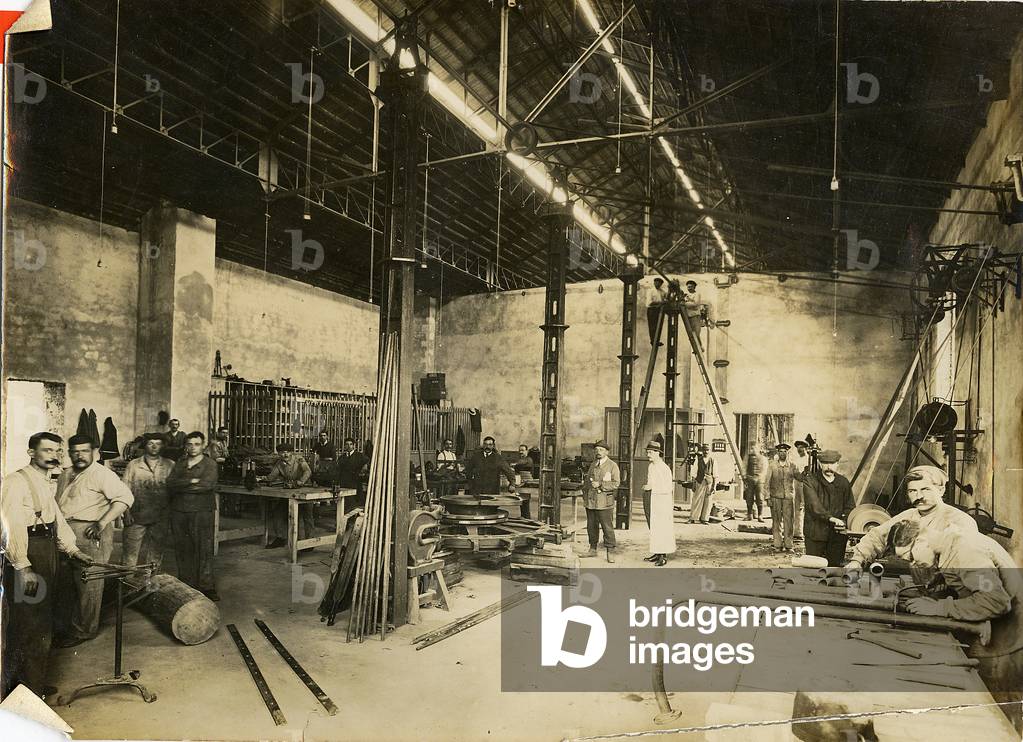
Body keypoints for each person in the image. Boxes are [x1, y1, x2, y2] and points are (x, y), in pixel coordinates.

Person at [895, 522, 1023, 731]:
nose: (913, 563)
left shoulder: (966, 551)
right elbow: (972, 586)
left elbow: (996, 601)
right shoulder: (951, 544)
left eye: (910, 557)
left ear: (921, 541)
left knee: (1001, 720)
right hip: (994, 631)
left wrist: (940, 607)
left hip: (1008, 641)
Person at [1, 433, 92, 698]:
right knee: (27, 624)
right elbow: (11, 527)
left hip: (47, 551)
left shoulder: (44, 481)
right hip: (30, 556)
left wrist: (73, 550)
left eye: (57, 450)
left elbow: (56, 521)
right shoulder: (16, 482)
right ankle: (22, 692)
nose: (54, 455)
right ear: (31, 453)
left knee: (42, 622)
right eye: (47, 450)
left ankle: (33, 683)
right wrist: (23, 567)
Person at [55, 434, 134, 647]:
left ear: (94, 452)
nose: (79, 455)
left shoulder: (102, 474)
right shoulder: (67, 474)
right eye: (75, 451)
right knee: (67, 582)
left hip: (90, 532)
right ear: (70, 453)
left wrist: (101, 523)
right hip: (66, 531)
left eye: (84, 451)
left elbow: (125, 498)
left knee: (89, 582)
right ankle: (68, 626)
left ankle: (83, 631)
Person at [846, 465, 978, 571]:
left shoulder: (960, 521)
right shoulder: (908, 515)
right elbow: (876, 537)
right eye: (912, 491)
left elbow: (966, 565)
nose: (919, 496)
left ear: (941, 490)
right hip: (908, 578)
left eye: (925, 489)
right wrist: (857, 561)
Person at [166, 431, 220, 601]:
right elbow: (170, 483)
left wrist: (184, 484)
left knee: (204, 548)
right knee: (182, 548)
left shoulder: (210, 464)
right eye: (189, 444)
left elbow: (207, 485)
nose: (193, 447)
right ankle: (186, 583)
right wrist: (191, 481)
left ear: (203, 445)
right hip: (179, 511)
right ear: (185, 445)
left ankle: (206, 586)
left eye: (197, 444)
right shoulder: (180, 463)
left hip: (201, 511)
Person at [121, 432, 174, 569]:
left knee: (155, 556)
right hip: (136, 516)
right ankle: (127, 587)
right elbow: (124, 491)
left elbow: (175, 492)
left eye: (158, 443)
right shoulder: (133, 465)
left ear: (162, 446)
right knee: (129, 556)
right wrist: (126, 513)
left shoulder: (170, 465)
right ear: (145, 445)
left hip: (160, 517)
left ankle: (149, 586)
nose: (154, 446)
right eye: (151, 443)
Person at [795, 449, 854, 566]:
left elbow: (850, 505)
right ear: (820, 464)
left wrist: (844, 519)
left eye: (832, 464)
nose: (828, 467)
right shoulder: (810, 481)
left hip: (837, 535)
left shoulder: (843, 482)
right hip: (815, 534)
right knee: (814, 569)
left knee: (834, 568)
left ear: (837, 464)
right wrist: (832, 519)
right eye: (825, 463)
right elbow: (814, 506)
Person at [265, 443, 314, 549]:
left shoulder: (299, 459)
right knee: (278, 511)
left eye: (287, 452)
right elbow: (272, 476)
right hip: (291, 491)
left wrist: (301, 481)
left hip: (305, 488)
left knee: (307, 514)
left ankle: (310, 542)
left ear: (291, 452)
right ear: (279, 454)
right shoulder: (279, 463)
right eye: (282, 452)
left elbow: (307, 471)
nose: (285, 454)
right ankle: (281, 538)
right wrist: (261, 479)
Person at [581, 440, 620, 563]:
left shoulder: (612, 465)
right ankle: (592, 549)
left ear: (607, 452)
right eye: (597, 449)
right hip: (591, 501)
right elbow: (587, 481)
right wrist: (585, 495)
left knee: (607, 527)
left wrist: (601, 485)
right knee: (591, 526)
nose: (598, 452)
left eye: (601, 450)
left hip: (604, 502)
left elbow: (616, 483)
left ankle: (610, 551)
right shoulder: (593, 464)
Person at [642, 441, 676, 567]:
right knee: (653, 526)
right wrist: (648, 488)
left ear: (657, 453)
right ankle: (657, 552)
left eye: (650, 452)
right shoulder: (651, 466)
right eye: (647, 452)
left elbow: (667, 488)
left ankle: (663, 556)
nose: (648, 455)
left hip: (662, 501)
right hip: (652, 498)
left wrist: (651, 487)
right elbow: (650, 481)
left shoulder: (664, 468)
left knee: (662, 528)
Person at [765, 442, 799, 553]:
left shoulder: (793, 466)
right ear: (777, 453)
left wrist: (806, 473)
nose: (782, 454)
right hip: (775, 497)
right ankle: (777, 545)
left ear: (787, 453)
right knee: (776, 521)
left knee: (789, 522)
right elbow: (767, 483)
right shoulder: (772, 465)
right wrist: (767, 497)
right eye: (780, 452)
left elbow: (799, 477)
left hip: (788, 498)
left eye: (785, 452)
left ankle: (789, 545)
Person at [335, 438, 368, 507]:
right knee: (345, 504)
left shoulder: (359, 456)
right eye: (347, 444)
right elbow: (338, 471)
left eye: (350, 444)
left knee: (355, 504)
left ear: (354, 446)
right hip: (344, 483)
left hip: (355, 482)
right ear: (344, 446)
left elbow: (367, 462)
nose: (349, 446)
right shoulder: (342, 457)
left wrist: (364, 469)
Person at [689, 443, 716, 524]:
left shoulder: (713, 460)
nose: (706, 452)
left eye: (707, 450)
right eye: (704, 450)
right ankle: (693, 518)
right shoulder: (698, 459)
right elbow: (694, 473)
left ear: (709, 451)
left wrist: (714, 487)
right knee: (696, 500)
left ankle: (705, 519)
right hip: (699, 481)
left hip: (709, 482)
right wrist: (693, 484)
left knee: (708, 501)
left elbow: (715, 475)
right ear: (702, 451)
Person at [741, 444, 767, 522]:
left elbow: (765, 470)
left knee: (760, 498)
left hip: (760, 480)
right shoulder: (747, 458)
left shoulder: (763, 458)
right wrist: (744, 477)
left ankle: (760, 516)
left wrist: (760, 478)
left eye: (754, 448)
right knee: (749, 498)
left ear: (758, 449)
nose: (752, 450)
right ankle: (749, 515)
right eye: (751, 448)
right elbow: (744, 467)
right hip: (749, 479)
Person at [791, 440, 810, 542]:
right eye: (798, 447)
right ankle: (798, 532)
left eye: (801, 447)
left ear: (805, 448)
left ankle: (806, 532)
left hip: (806, 484)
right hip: (796, 484)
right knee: (797, 507)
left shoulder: (809, 459)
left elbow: (808, 472)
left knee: (806, 506)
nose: (799, 449)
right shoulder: (796, 459)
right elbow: (793, 471)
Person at [513, 444, 534, 518]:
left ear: (527, 451)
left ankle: (526, 518)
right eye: (519, 450)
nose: (520, 452)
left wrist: (514, 466)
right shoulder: (521, 460)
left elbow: (518, 466)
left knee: (525, 502)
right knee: (522, 501)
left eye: (522, 450)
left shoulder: (528, 459)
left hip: (526, 482)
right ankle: (524, 517)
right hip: (520, 481)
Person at [647, 277, 669, 345]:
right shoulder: (650, 291)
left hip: (659, 310)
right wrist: (661, 302)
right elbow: (650, 302)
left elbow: (667, 298)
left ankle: (657, 340)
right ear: (654, 283)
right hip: (652, 310)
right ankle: (653, 340)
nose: (658, 284)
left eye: (659, 283)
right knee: (652, 326)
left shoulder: (662, 292)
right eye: (656, 282)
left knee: (659, 326)